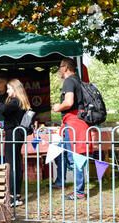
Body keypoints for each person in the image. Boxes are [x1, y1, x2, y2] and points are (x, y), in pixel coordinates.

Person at [51, 58, 92, 201]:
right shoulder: (78, 80)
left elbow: (68, 102)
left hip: (73, 123)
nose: (59, 70)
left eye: (60, 67)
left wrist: (58, 107)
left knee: (75, 158)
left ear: (66, 67)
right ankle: (65, 184)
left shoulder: (69, 81)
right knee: (68, 154)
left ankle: (79, 192)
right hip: (77, 123)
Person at [0, 79, 31, 207]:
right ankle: (17, 195)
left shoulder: (15, 101)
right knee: (16, 163)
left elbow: (4, 108)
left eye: (9, 89)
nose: (7, 91)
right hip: (16, 133)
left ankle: (13, 196)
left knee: (11, 164)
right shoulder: (20, 102)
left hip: (13, 134)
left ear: (15, 89)